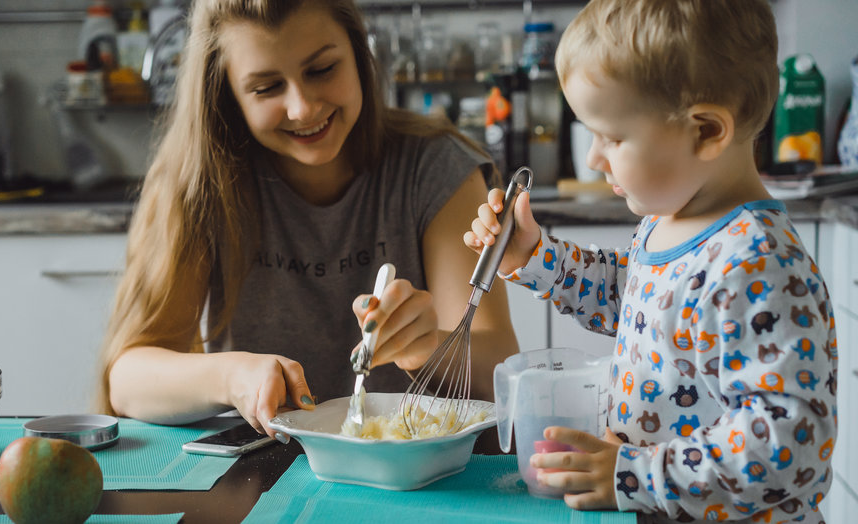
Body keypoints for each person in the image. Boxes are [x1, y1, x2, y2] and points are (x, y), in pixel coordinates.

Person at [464, 0, 837, 522]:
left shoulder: (758, 266)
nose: (593, 158)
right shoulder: (669, 219)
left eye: (611, 137)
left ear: (706, 131)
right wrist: (535, 256)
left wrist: (635, 474)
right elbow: (633, 302)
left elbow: (787, 448)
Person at [96, 0, 518, 440]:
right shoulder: (197, 181)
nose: (302, 108)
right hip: (260, 476)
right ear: (227, 95)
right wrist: (233, 375)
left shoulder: (437, 168)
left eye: (322, 70)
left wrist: (428, 348)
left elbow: (500, 377)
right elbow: (127, 381)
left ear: (359, 55)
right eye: (266, 88)